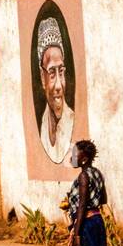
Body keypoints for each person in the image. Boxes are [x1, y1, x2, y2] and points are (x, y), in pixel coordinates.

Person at [37, 16, 75, 163]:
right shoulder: (43, 125)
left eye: (61, 72)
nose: (59, 85)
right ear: (42, 77)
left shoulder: (71, 121)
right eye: (52, 73)